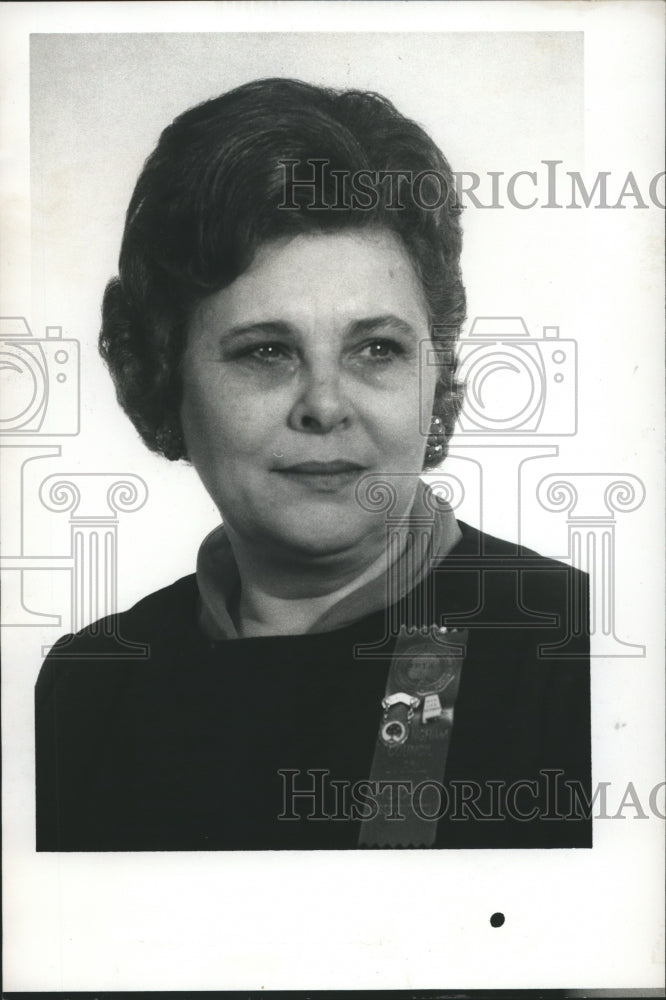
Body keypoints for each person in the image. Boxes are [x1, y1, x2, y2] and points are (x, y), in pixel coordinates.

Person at [35, 78, 591, 852]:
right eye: (267, 351)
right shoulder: (90, 683)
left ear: (436, 377)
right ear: (161, 375)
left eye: (377, 349)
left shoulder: (582, 654)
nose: (325, 405)